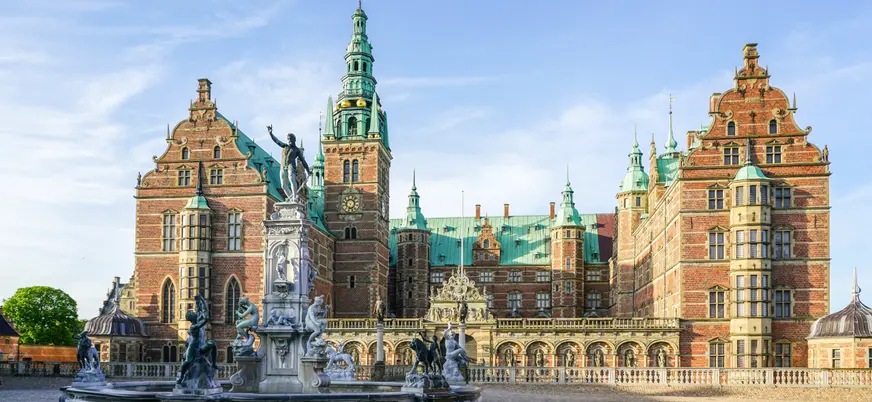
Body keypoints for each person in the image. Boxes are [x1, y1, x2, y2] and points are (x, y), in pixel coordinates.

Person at [268, 126, 311, 201]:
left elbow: (303, 161)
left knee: (291, 178)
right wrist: (271, 133)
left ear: (294, 140)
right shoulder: (284, 146)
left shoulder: (296, 150)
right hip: (283, 166)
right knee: (283, 185)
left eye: (291, 139)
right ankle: (291, 198)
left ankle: (294, 197)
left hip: (291, 166)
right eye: (288, 139)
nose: (289, 141)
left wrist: (308, 171)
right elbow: (276, 141)